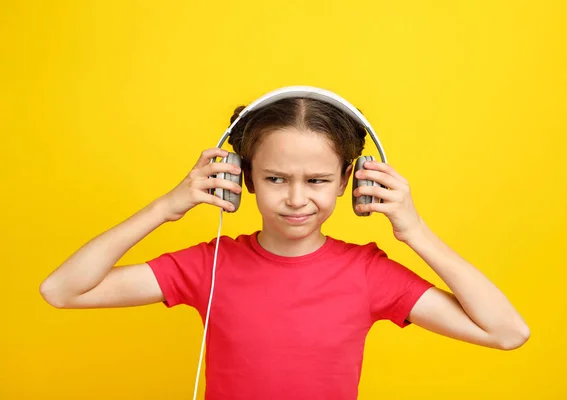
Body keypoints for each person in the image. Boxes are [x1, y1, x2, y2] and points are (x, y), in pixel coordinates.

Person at [40, 92, 530, 400]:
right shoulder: (209, 265)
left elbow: (507, 332)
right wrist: (165, 208)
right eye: (275, 178)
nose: (297, 199)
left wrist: (415, 232)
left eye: (316, 180)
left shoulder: (367, 272)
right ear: (243, 178)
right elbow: (62, 290)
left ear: (348, 182)